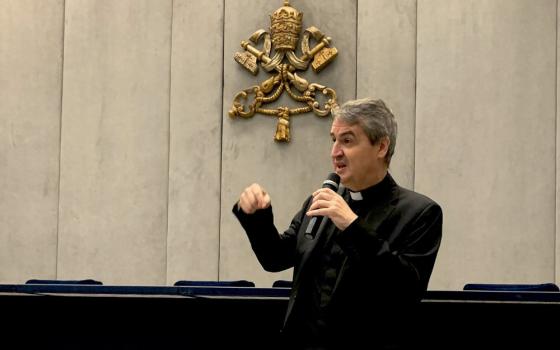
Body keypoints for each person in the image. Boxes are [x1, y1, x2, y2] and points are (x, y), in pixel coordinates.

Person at [232, 97, 443, 349]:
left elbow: (405, 289)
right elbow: (275, 258)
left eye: (347, 140)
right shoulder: (321, 200)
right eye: (334, 140)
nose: (335, 152)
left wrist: (352, 226)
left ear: (381, 147)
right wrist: (258, 217)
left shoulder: (420, 212)